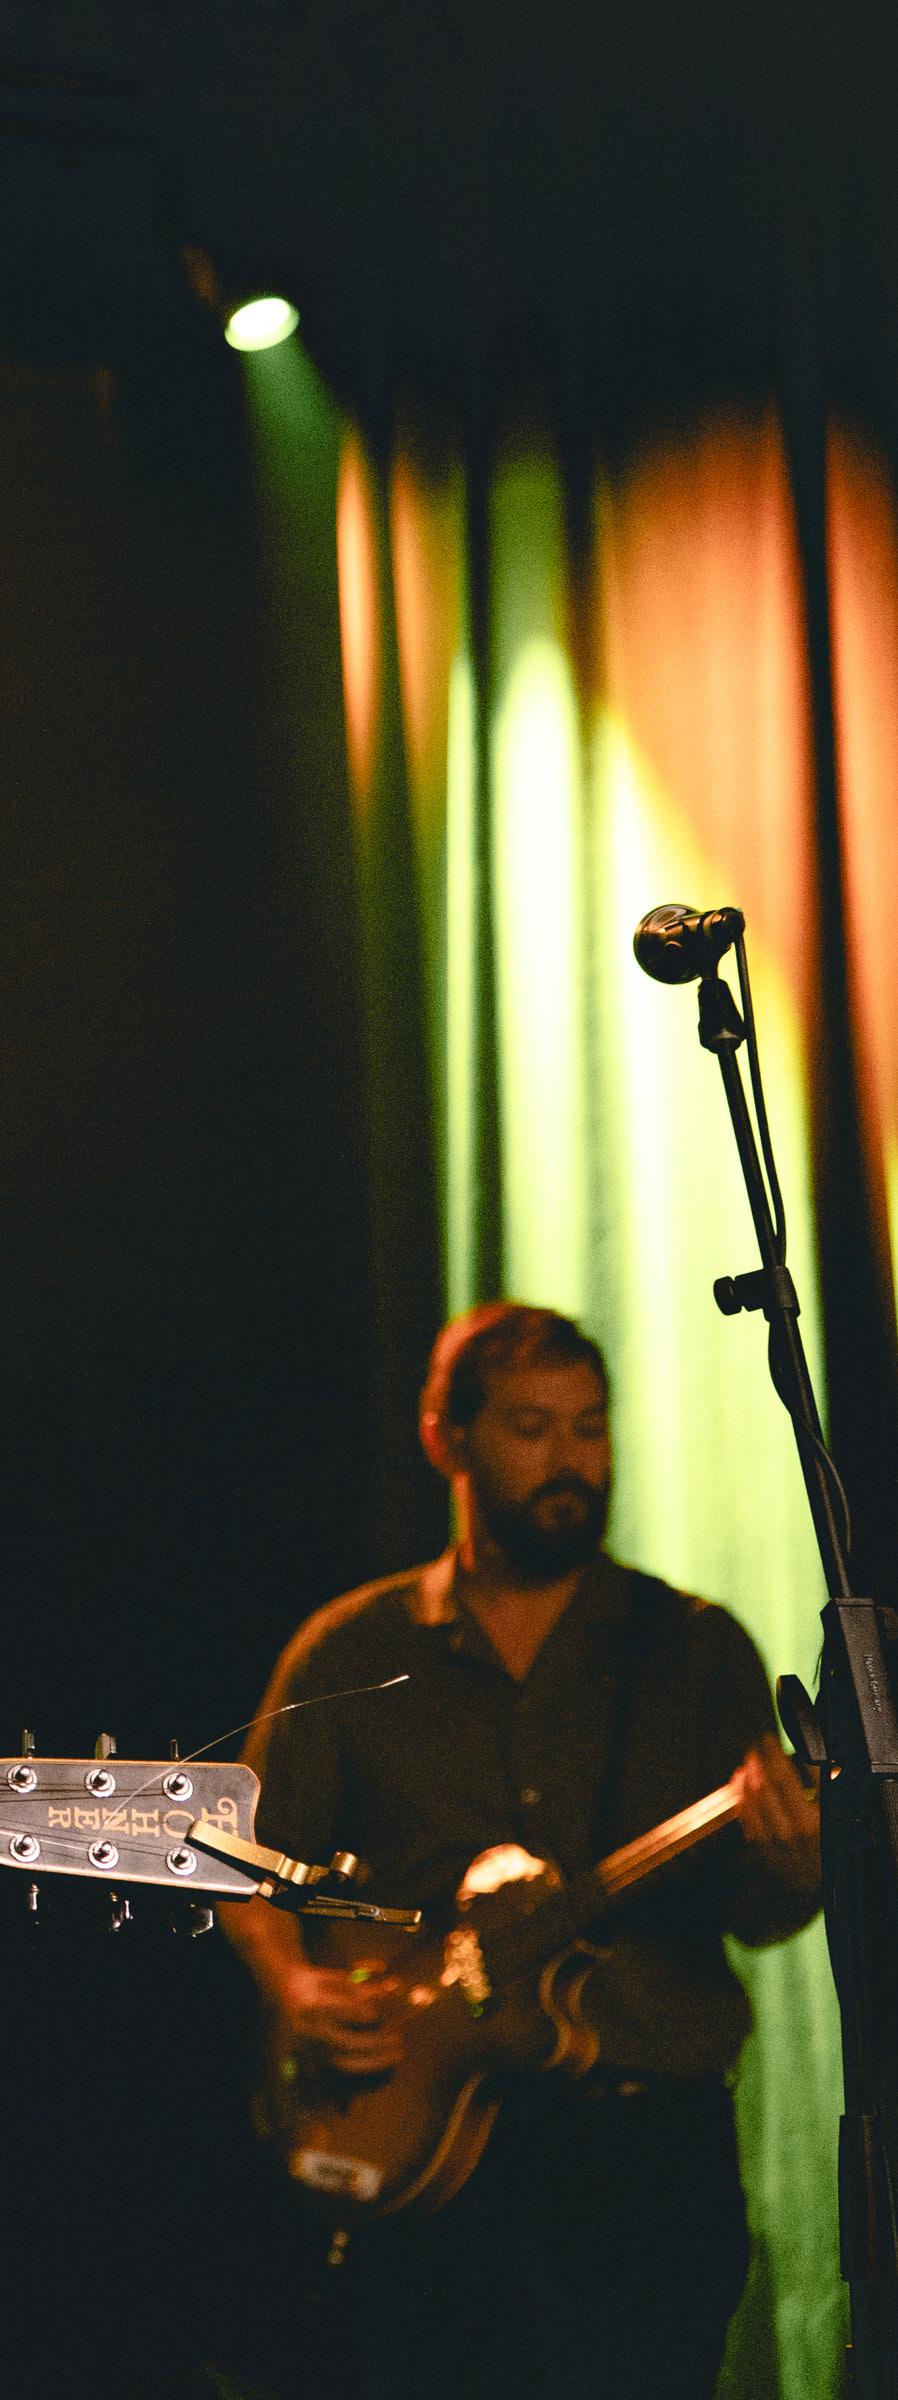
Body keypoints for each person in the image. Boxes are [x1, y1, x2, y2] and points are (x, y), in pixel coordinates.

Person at [219, 1303, 821, 2400]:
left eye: (590, 1426)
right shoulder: (353, 1649)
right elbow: (239, 1861)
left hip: (647, 2158)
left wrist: (796, 1854)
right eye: (531, 1428)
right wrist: (294, 1987)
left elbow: (764, 1914)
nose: (570, 1460)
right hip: (432, 2162)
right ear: (446, 1438)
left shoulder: (693, 1648)